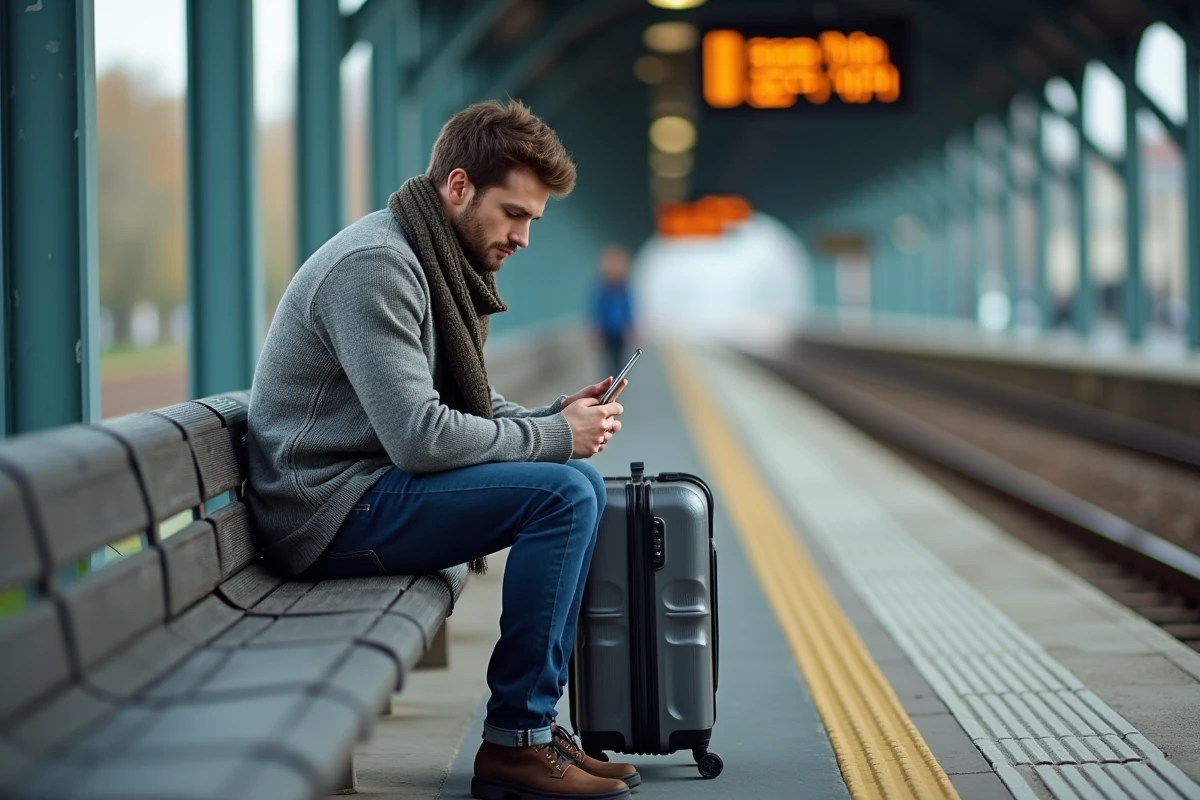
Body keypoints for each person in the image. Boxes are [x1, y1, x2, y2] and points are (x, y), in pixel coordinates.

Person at [245, 101, 639, 800]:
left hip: (366, 487)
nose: (523, 237)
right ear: (458, 187)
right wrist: (555, 438)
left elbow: (468, 408)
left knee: (576, 484)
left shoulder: (430, 258)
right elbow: (422, 435)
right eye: (513, 214)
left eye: (532, 221)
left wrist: (555, 417)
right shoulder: (378, 266)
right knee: (564, 492)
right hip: (324, 509)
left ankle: (535, 730)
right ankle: (517, 740)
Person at [589, 245, 636, 379]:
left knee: (620, 361)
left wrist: (632, 327)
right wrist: (594, 329)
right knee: (606, 362)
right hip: (606, 329)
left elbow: (629, 308)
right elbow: (595, 309)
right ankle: (608, 385)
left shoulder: (624, 288)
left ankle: (617, 383)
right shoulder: (603, 288)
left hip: (620, 330)